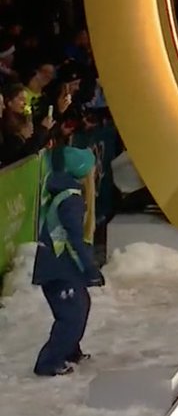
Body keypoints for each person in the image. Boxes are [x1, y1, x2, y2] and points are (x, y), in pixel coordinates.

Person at [32, 146, 104, 377]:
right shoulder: (70, 199)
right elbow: (74, 237)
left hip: (57, 264)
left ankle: (70, 349)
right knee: (71, 314)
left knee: (79, 305)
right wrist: (90, 268)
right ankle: (48, 362)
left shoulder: (60, 189)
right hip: (59, 267)